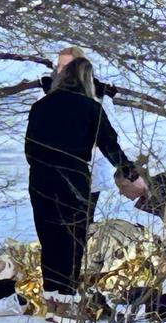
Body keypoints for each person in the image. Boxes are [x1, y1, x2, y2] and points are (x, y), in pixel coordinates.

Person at [15, 57, 145, 313]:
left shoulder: (40, 106)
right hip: (73, 178)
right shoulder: (90, 108)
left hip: (40, 178)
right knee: (72, 241)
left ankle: (50, 302)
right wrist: (131, 174)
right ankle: (66, 303)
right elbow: (110, 146)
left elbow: (30, 148)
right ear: (88, 79)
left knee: (49, 239)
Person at [39, 46, 119, 222]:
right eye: (60, 65)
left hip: (88, 169)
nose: (63, 70)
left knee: (82, 223)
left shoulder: (98, 94)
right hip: (55, 170)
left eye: (68, 65)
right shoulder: (49, 92)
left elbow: (106, 132)